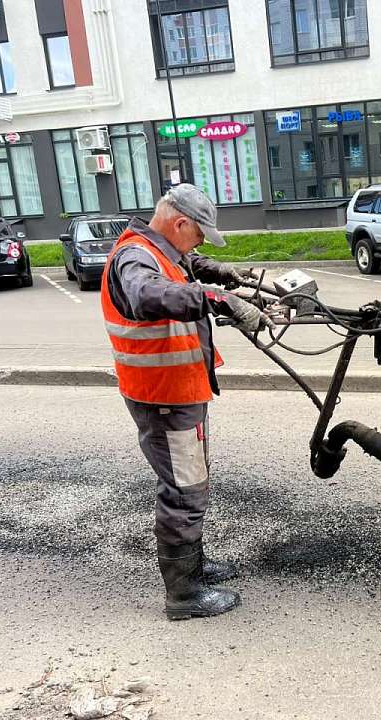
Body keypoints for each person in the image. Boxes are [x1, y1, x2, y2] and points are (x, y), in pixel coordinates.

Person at [100, 183, 272, 620]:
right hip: (163, 397)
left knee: (192, 481)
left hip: (179, 392)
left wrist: (218, 272)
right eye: (197, 235)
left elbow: (185, 263)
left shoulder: (158, 248)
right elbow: (146, 294)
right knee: (183, 491)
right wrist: (218, 299)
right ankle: (183, 594)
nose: (196, 245)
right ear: (179, 223)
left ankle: (192, 566)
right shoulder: (134, 258)